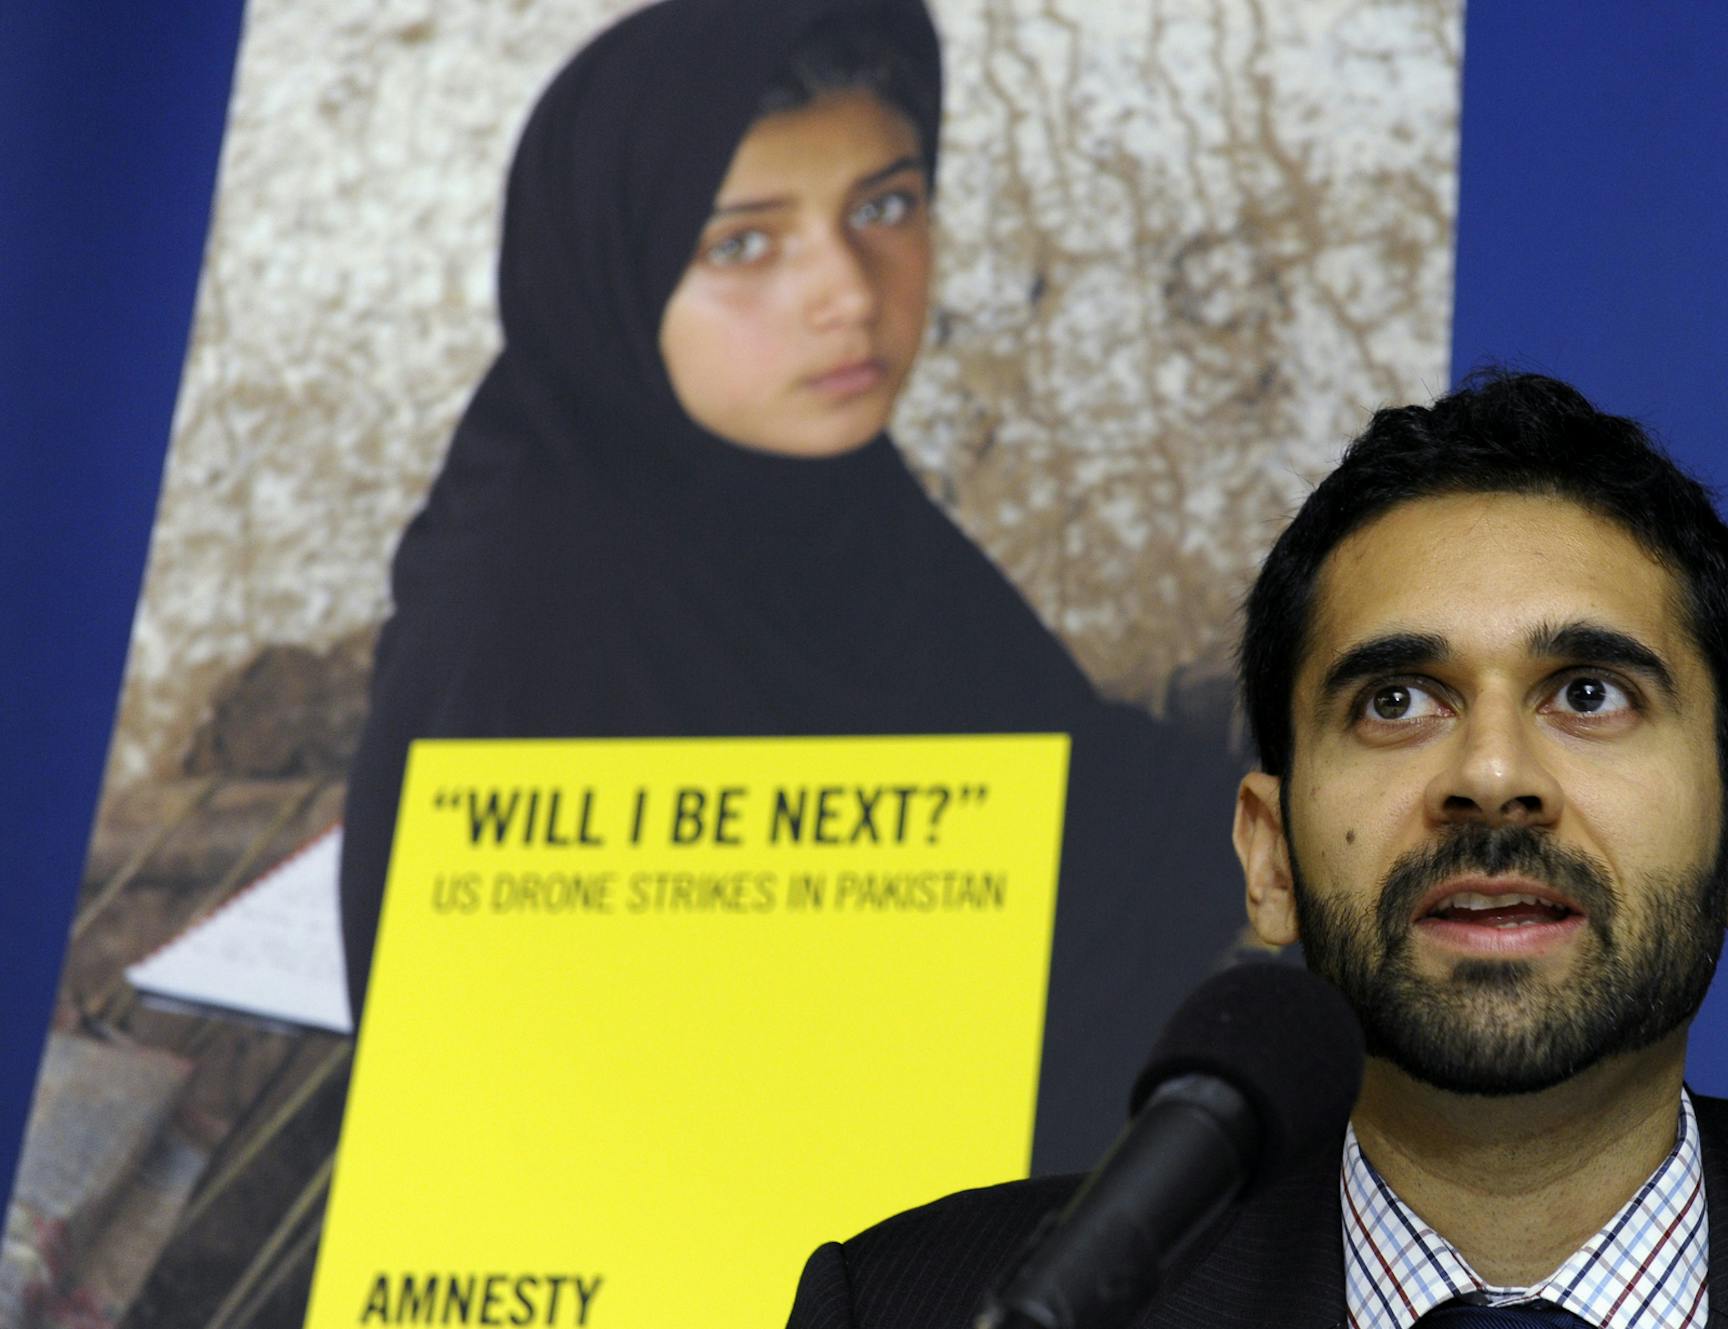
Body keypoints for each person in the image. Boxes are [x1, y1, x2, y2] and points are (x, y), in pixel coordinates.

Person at [785, 371, 1728, 1327]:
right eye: (1396, 702)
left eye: (1589, 695)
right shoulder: (923, 1303)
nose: (1491, 777)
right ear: (1265, 852)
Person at [338, 0, 1245, 1172]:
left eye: (885, 206)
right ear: (612, 267)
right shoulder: (536, 636)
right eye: (742, 244)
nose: (851, 293)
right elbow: (573, 1141)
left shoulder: (822, 503)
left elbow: (1060, 800)